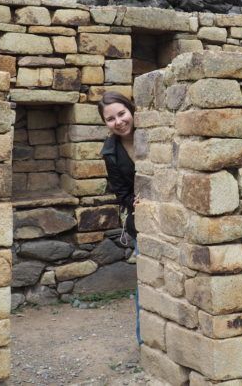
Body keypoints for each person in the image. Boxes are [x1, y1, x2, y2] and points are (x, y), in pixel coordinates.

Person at [98, 91, 142, 345]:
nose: (119, 122)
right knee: (148, 285)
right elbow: (121, 193)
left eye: (122, 114)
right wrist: (132, 201)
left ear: (131, 110)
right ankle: (145, 342)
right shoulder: (110, 153)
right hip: (143, 222)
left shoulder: (153, 133)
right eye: (110, 119)